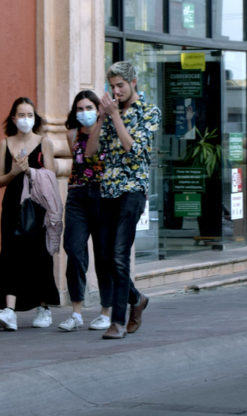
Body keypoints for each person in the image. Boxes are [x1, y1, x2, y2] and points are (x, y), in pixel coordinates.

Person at [86, 61, 161, 339]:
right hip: (107, 190)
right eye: (112, 86)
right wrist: (103, 118)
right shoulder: (110, 113)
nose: (116, 91)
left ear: (133, 83)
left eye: (121, 85)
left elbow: (133, 149)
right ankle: (137, 298)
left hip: (132, 191)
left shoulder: (149, 112)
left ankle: (117, 321)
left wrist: (116, 116)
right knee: (105, 258)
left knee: (119, 254)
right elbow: (92, 151)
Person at [0, 97, 60, 331]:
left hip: (37, 204)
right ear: (13, 118)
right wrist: (15, 171)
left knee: (39, 254)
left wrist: (31, 171)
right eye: (21, 115)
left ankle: (44, 306)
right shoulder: (5, 144)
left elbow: (51, 175)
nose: (25, 119)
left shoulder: (44, 142)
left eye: (29, 115)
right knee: (10, 253)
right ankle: (9, 310)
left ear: (34, 118)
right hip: (13, 205)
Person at [57, 90, 113, 332]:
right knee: (74, 250)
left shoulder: (108, 132)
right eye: (79, 109)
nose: (84, 113)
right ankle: (77, 312)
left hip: (102, 196)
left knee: (103, 254)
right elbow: (77, 164)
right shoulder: (72, 134)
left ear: (98, 109)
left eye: (89, 108)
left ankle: (106, 311)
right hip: (77, 195)